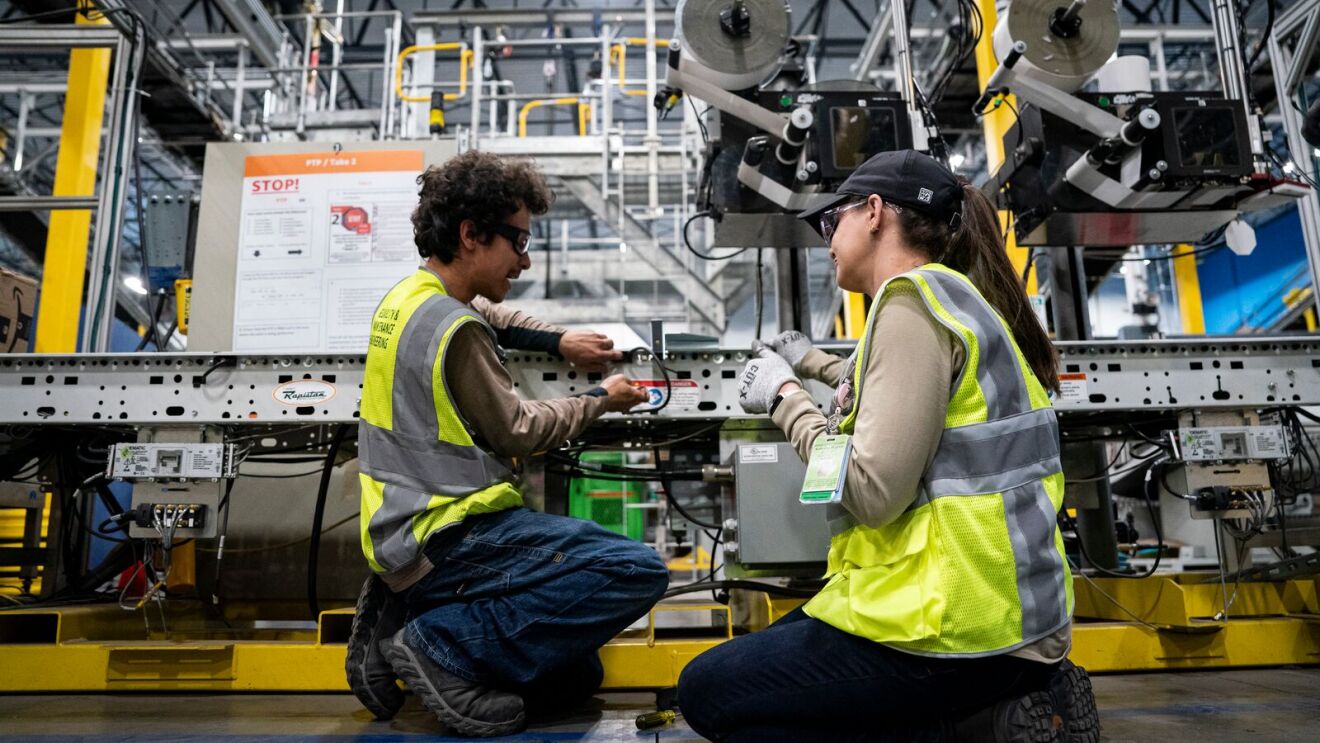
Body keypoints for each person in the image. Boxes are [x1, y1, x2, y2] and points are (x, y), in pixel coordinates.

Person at [677, 150, 1099, 742]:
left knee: (710, 693)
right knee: (762, 686)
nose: (827, 239)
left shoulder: (909, 303)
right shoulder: (947, 299)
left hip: (958, 627)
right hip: (991, 615)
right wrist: (817, 364)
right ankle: (992, 712)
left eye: (833, 221)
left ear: (874, 212)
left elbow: (872, 493)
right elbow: (883, 399)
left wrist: (784, 400)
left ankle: (978, 728)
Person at [345, 151, 669, 738]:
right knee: (636, 570)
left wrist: (559, 338)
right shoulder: (458, 330)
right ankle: (435, 642)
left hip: (399, 526)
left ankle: (405, 610)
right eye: (517, 242)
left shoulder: (409, 299)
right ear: (471, 235)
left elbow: (491, 311)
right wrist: (601, 399)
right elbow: (519, 429)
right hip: (453, 529)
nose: (525, 259)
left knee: (575, 674)